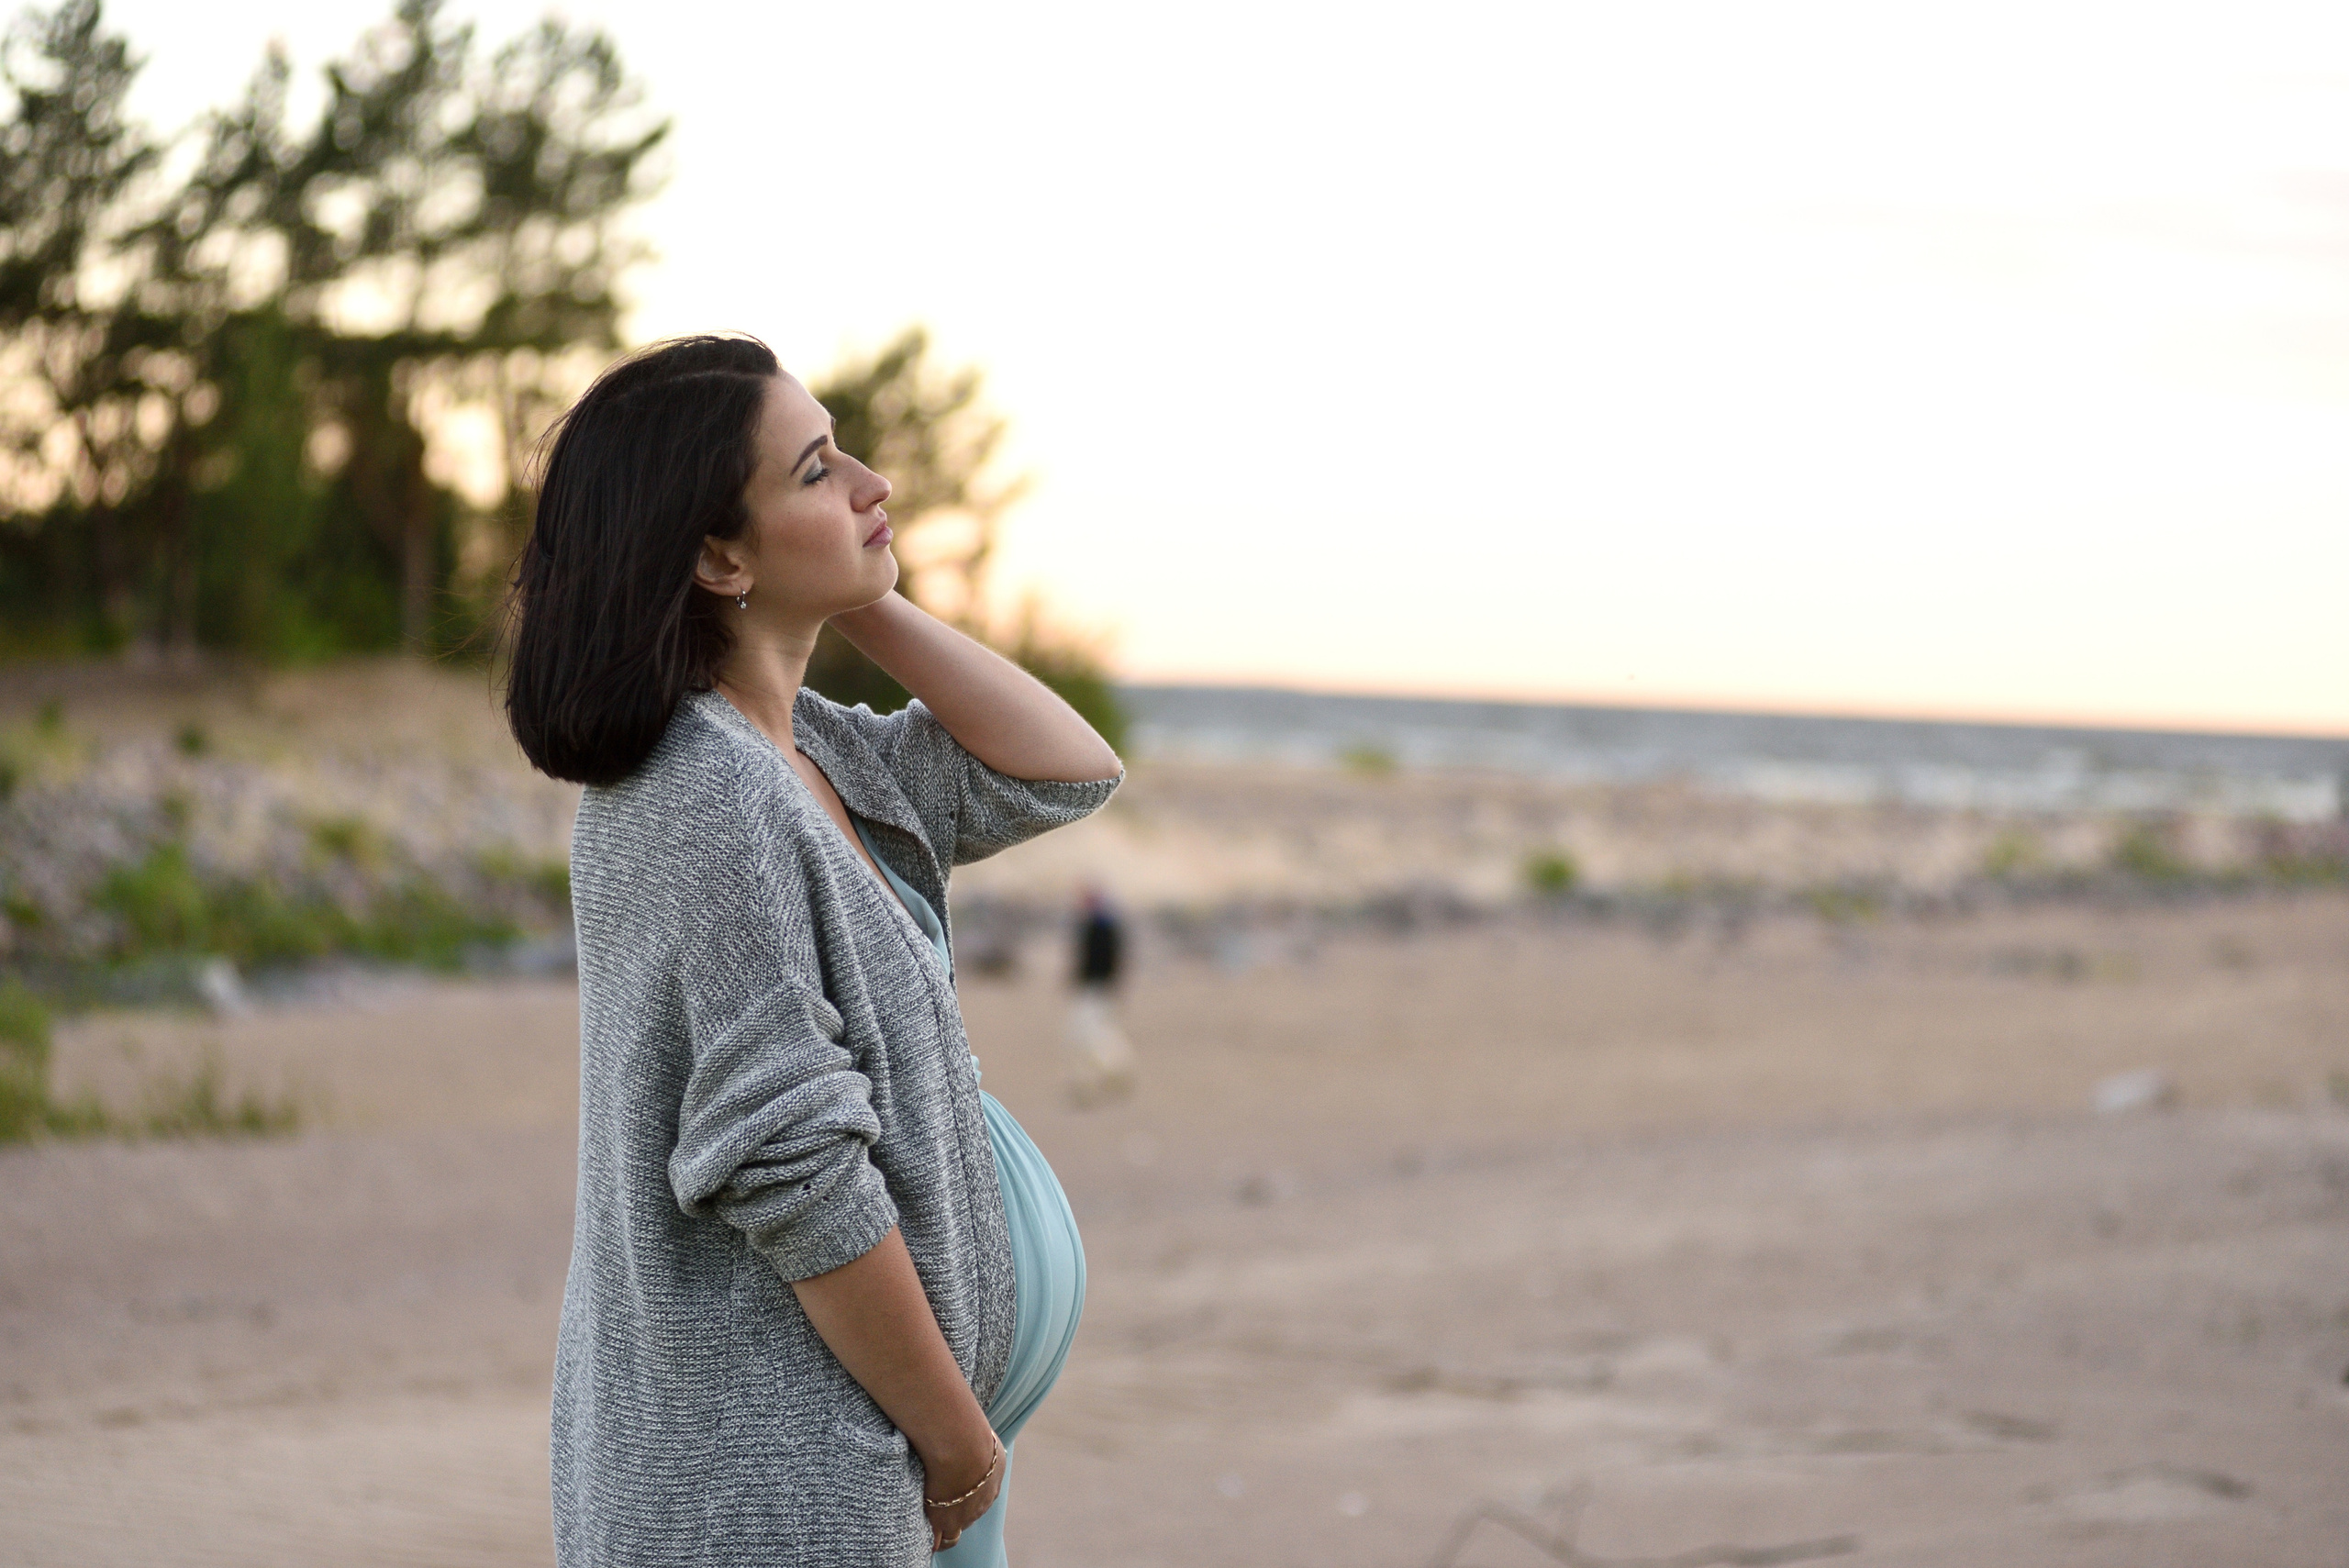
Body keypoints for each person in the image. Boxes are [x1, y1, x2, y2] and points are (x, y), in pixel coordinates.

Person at [503, 334, 1120, 1568]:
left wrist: (871, 592)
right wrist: (956, 1442)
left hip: (865, 1468)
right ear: (719, 555)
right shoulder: (701, 793)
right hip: (773, 1488)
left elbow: (1067, 770)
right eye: (818, 470)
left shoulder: (818, 755)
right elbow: (790, 1166)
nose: (872, 484)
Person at [1063, 884, 1136, 1106]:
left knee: (1087, 1034)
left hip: (1097, 989)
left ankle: (1114, 1070)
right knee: (1090, 1033)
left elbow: (1108, 961)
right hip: (1092, 988)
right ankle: (1110, 1072)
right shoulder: (1092, 925)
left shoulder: (1104, 926)